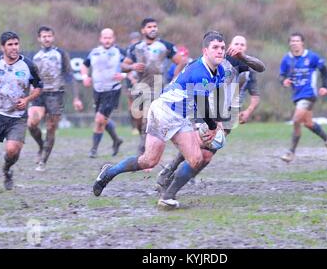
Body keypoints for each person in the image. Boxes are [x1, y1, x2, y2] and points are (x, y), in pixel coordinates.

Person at [92, 31, 228, 208]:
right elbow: (202, 107)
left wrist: (218, 123)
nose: (220, 51)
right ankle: (110, 172)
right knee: (149, 161)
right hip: (164, 112)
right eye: (215, 48)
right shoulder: (199, 72)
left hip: (181, 116)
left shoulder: (220, 71)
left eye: (223, 48)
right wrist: (211, 126)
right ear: (205, 51)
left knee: (196, 159)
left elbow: (214, 99)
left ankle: (168, 196)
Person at [156, 35, 265, 193]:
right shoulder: (212, 62)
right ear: (228, 46)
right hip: (207, 108)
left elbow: (260, 71)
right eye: (236, 44)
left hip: (229, 114)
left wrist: (248, 110)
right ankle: (170, 175)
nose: (239, 47)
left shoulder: (244, 64)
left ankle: (176, 175)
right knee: (199, 146)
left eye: (242, 44)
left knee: (207, 153)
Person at [0, 31, 43, 192]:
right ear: (2, 47)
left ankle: (7, 169)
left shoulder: (29, 65)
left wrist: (26, 100)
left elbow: (39, 87)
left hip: (17, 117)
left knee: (12, 151)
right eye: (10, 44)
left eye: (16, 44)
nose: (14, 47)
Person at [121, 18, 185, 155]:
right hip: (139, 85)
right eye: (149, 27)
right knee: (137, 116)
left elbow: (180, 61)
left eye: (155, 26)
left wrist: (175, 78)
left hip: (157, 85)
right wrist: (132, 66)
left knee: (147, 117)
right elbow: (123, 66)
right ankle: (143, 138)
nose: (153, 29)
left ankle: (143, 149)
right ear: (143, 30)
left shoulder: (165, 45)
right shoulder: (135, 47)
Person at [28, 26, 83, 172]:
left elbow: (70, 75)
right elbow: (31, 78)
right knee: (32, 123)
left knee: (51, 128)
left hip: (55, 95)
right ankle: (41, 145)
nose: (47, 38)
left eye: (49, 36)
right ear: (39, 38)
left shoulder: (60, 54)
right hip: (39, 94)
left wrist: (76, 98)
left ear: (53, 37)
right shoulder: (35, 56)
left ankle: (43, 161)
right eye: (44, 36)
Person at [279, 32, 327, 163]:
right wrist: (284, 81)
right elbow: (281, 76)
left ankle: (291, 152)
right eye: (292, 41)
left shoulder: (311, 57)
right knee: (308, 123)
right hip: (297, 96)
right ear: (289, 43)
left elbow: (324, 69)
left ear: (302, 43)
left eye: (297, 40)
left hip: (309, 94)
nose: (294, 43)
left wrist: (325, 86)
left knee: (296, 120)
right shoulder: (287, 59)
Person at [81, 28, 125, 158]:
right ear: (100, 39)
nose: (107, 40)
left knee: (99, 119)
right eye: (105, 37)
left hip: (112, 90)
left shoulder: (119, 52)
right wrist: (85, 77)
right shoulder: (94, 53)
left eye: (109, 37)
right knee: (102, 120)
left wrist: (124, 74)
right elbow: (84, 66)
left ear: (114, 39)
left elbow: (131, 66)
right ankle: (116, 140)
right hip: (98, 91)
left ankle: (93, 150)